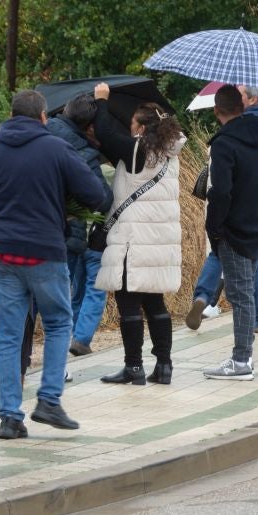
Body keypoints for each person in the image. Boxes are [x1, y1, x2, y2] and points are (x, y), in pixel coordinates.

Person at [0, 89, 110, 439]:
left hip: (0, 253)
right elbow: (97, 195)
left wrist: (0, 219)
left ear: (12, 115)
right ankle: (48, 400)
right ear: (43, 116)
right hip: (44, 250)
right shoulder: (57, 149)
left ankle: (10, 418)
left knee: (8, 335)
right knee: (60, 322)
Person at [186, 86, 258, 334]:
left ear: (251, 99)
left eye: (241, 94)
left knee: (219, 251)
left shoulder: (235, 127)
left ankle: (202, 296)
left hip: (232, 201)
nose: (237, 99)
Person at [88, 86, 185, 386]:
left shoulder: (137, 151)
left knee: (128, 304)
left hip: (135, 240)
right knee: (155, 304)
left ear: (142, 128)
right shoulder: (168, 153)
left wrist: (102, 100)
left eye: (132, 124)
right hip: (160, 242)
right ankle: (165, 366)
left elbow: (105, 131)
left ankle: (134, 367)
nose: (129, 129)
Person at [203, 86, 258, 379]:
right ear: (243, 107)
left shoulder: (223, 144)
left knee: (240, 294)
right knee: (244, 291)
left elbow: (221, 191)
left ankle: (242, 359)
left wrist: (215, 227)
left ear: (216, 110)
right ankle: (242, 356)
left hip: (232, 229)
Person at [49, 95, 112, 356]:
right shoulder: (89, 156)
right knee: (96, 289)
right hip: (90, 235)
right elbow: (104, 199)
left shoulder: (45, 134)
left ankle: (69, 336)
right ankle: (81, 338)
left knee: (72, 291)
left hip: (59, 234)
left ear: (65, 110)